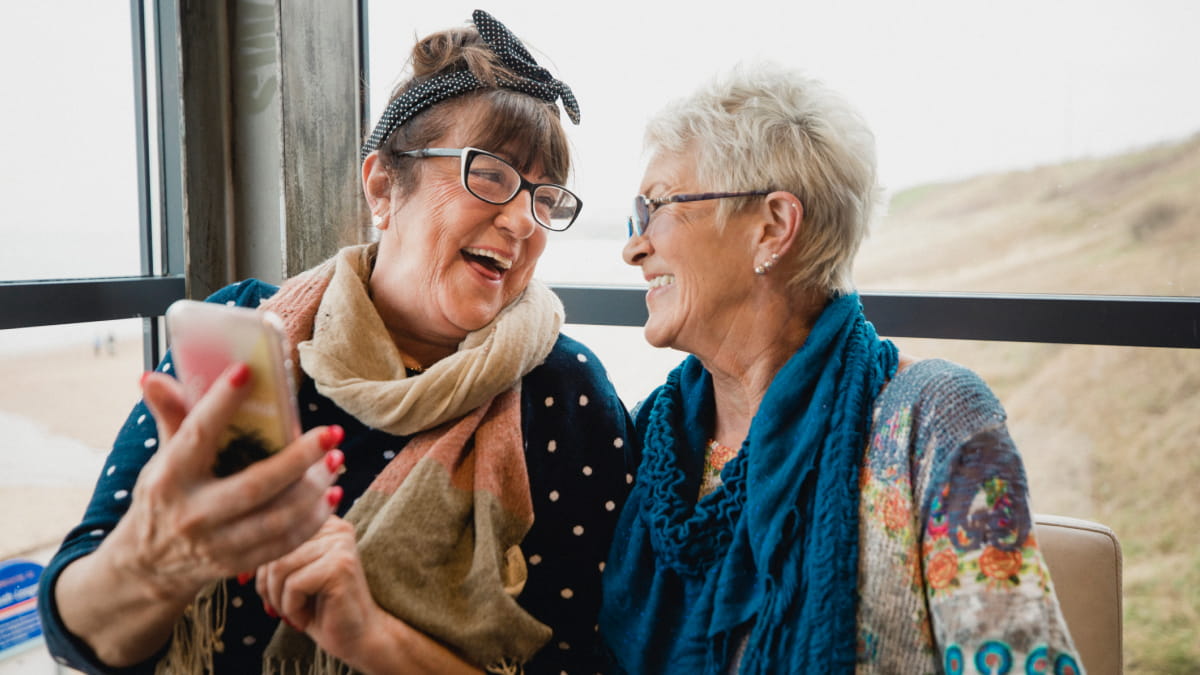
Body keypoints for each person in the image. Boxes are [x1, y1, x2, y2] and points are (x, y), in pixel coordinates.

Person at [39, 11, 632, 675]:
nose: (525, 219)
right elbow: (75, 630)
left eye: (545, 197)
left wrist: (375, 639)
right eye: (488, 174)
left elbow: (588, 659)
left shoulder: (566, 393)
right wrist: (155, 560)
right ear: (382, 186)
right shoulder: (248, 330)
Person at [598, 62, 1084, 674]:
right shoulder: (649, 436)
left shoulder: (931, 422)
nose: (633, 246)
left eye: (657, 208)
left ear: (773, 227)